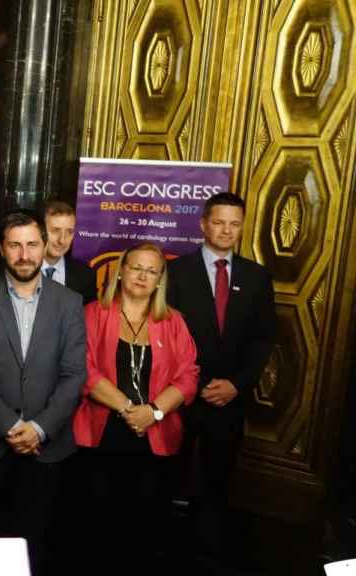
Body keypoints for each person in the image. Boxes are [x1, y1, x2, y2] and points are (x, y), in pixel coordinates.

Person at [0, 210, 87, 576]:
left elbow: (74, 376)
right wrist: (11, 426)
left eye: (32, 244)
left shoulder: (69, 302)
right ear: (1, 249)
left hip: (45, 448)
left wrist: (38, 429)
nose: (25, 254)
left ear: (45, 246)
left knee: (34, 545)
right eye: (15, 245)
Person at [71, 242, 199, 574]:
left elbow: (188, 376)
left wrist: (153, 411)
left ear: (160, 280)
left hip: (155, 434)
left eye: (151, 271)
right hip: (102, 434)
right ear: (121, 271)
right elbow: (83, 370)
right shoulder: (94, 313)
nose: (143, 276)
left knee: (146, 527)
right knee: (98, 524)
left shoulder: (174, 321)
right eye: (136, 267)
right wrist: (130, 408)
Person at [167, 192, 276, 569]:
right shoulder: (176, 272)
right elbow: (164, 336)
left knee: (216, 485)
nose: (226, 230)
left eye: (234, 223)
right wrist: (188, 385)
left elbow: (263, 340)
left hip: (229, 398)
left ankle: (207, 557)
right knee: (169, 478)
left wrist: (237, 384)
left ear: (242, 226)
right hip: (180, 396)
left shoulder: (257, 277)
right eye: (219, 222)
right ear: (203, 224)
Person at [41, 199, 97, 303]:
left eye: (69, 232)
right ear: (40, 231)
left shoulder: (85, 276)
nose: (62, 240)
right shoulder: (21, 269)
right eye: (55, 231)